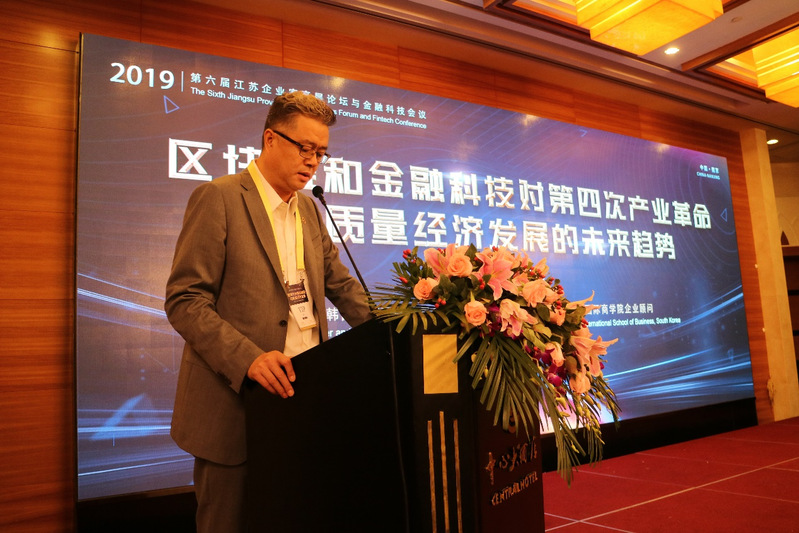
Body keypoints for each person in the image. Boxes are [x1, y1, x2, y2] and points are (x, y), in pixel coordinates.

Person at [164, 91, 372, 532]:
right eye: (304, 147)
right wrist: (249, 359)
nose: (313, 161)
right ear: (270, 138)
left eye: (321, 152)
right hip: (236, 402)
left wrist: (397, 332)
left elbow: (341, 285)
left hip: (302, 397)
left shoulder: (310, 209)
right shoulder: (219, 197)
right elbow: (185, 300)